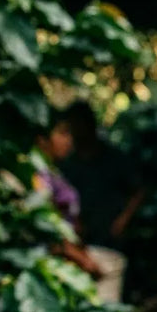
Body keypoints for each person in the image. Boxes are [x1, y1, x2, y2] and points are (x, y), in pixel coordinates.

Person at [61, 101, 145, 248]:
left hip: (115, 238)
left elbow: (139, 190)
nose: (77, 130)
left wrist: (123, 220)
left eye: (80, 124)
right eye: (73, 126)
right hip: (85, 240)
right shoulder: (68, 164)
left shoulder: (115, 158)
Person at [31, 113, 101, 277]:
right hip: (53, 265)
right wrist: (82, 260)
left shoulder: (53, 172)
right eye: (62, 133)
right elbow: (48, 228)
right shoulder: (39, 177)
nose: (69, 140)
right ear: (42, 139)